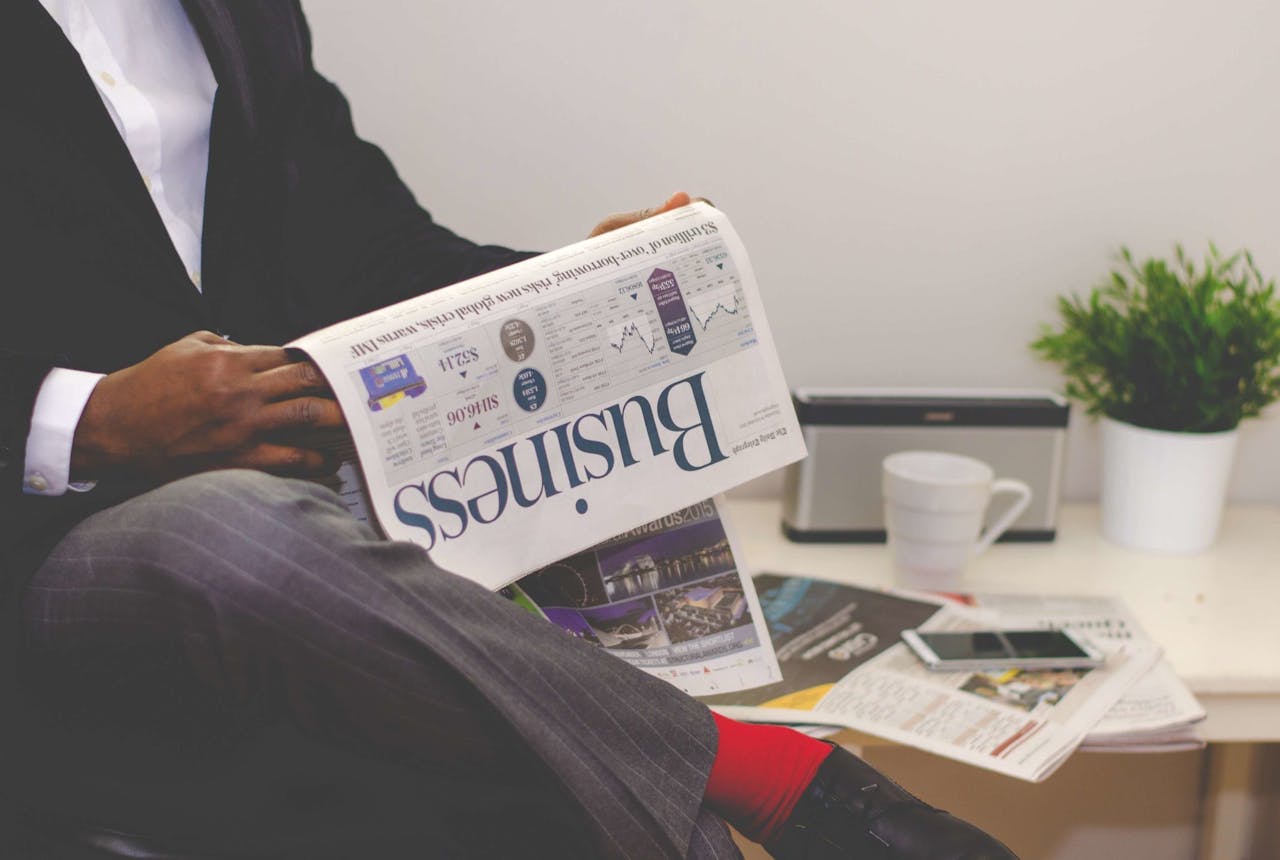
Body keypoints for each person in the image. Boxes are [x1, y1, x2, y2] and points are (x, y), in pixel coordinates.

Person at [0, 2, 1018, 857]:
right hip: (55, 546)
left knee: (559, 778)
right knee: (228, 530)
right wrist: (86, 423)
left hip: (319, 540)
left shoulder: (236, 12)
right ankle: (795, 782)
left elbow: (368, 252)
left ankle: (770, 790)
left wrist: (577, 289)